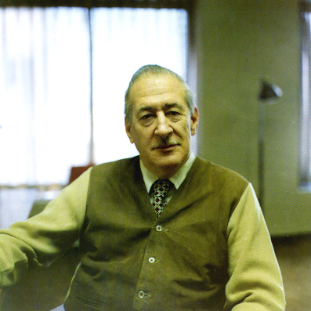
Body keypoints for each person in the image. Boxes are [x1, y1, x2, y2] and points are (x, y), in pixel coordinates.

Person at [0, 64, 285, 310]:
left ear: (193, 120)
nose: (162, 129)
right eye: (147, 116)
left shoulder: (234, 193)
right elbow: (23, 242)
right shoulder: (96, 181)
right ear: (129, 130)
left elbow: (260, 296)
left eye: (173, 113)